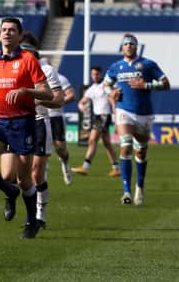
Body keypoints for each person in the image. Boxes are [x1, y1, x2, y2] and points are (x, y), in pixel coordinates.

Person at [0, 18, 53, 240]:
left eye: (12, 30)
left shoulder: (28, 60)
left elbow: (48, 94)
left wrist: (27, 91)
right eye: (4, 30)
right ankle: (9, 191)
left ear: (19, 36)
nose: (7, 33)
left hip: (23, 123)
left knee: (24, 179)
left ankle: (31, 221)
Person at [0, 32, 63, 230]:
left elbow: (59, 100)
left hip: (37, 122)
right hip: (14, 123)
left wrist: (36, 99)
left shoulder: (46, 71)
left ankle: (39, 217)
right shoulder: (9, 69)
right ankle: (10, 194)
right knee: (9, 176)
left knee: (36, 174)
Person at [103, 33, 170, 205]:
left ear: (136, 46)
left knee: (140, 151)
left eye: (132, 44)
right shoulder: (116, 67)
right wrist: (110, 93)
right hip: (124, 110)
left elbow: (166, 84)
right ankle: (126, 192)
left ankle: (139, 186)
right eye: (126, 44)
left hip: (144, 113)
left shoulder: (148, 64)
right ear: (122, 47)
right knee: (125, 146)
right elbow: (105, 85)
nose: (129, 46)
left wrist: (146, 85)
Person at [71, 66, 120, 177]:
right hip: (97, 117)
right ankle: (116, 168)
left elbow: (113, 99)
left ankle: (85, 167)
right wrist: (80, 105)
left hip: (104, 115)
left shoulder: (106, 86)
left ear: (101, 75)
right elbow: (83, 101)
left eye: (97, 74)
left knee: (92, 140)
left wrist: (115, 113)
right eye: (93, 74)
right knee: (107, 143)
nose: (95, 76)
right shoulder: (92, 88)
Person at [45, 62, 76, 186]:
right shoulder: (35, 77)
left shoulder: (60, 78)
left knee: (60, 147)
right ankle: (42, 178)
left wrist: (59, 102)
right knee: (42, 150)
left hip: (55, 116)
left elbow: (71, 95)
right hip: (41, 117)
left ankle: (65, 163)